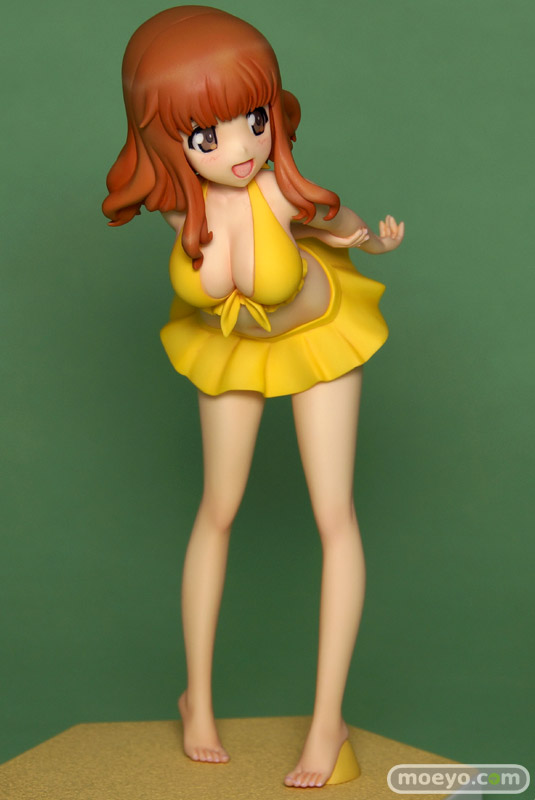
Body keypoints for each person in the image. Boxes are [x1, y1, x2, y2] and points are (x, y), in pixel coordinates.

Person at [103, 5, 404, 788]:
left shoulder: (279, 196)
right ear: (166, 139)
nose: (241, 148)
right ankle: (196, 699)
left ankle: (328, 721)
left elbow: (340, 227)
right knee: (218, 508)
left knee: (333, 516)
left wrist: (372, 241)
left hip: (317, 341)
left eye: (255, 120)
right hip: (233, 347)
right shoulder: (181, 209)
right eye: (208, 134)